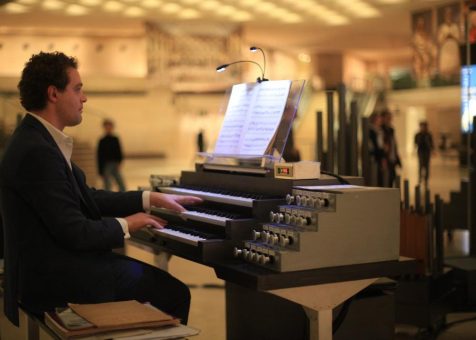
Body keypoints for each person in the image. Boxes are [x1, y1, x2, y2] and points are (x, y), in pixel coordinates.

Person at [0, 52, 202, 326]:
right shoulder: (37, 151)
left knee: (151, 281)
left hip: (51, 266)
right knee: (174, 293)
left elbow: (89, 198)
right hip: (54, 279)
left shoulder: (36, 139)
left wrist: (148, 198)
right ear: (53, 94)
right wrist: (128, 224)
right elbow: (75, 232)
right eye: (78, 89)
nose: (84, 98)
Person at [97, 119, 126, 191]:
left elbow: (119, 151)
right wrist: (100, 170)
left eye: (109, 126)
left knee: (120, 180)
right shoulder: (102, 140)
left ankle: (123, 194)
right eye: (106, 127)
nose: (108, 128)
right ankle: (108, 195)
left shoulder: (115, 139)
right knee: (107, 182)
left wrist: (120, 162)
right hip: (106, 164)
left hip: (115, 163)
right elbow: (99, 155)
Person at [437, 6, 460, 80]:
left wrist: (452, 36)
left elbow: (458, 37)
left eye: (450, 14)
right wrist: (445, 36)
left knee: (454, 64)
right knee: (446, 67)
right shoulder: (442, 27)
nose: (448, 16)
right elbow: (439, 39)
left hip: (453, 48)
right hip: (445, 48)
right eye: (447, 14)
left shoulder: (455, 26)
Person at [381, 109, 402, 187]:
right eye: (387, 117)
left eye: (390, 117)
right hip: (385, 159)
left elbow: (394, 144)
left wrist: (397, 158)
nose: (390, 119)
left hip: (392, 158)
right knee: (386, 180)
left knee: (392, 178)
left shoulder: (391, 129)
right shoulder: (381, 129)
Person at [368, 112, 386, 186]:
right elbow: (375, 147)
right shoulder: (371, 131)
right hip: (374, 159)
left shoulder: (379, 131)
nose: (380, 121)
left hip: (378, 157)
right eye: (378, 119)